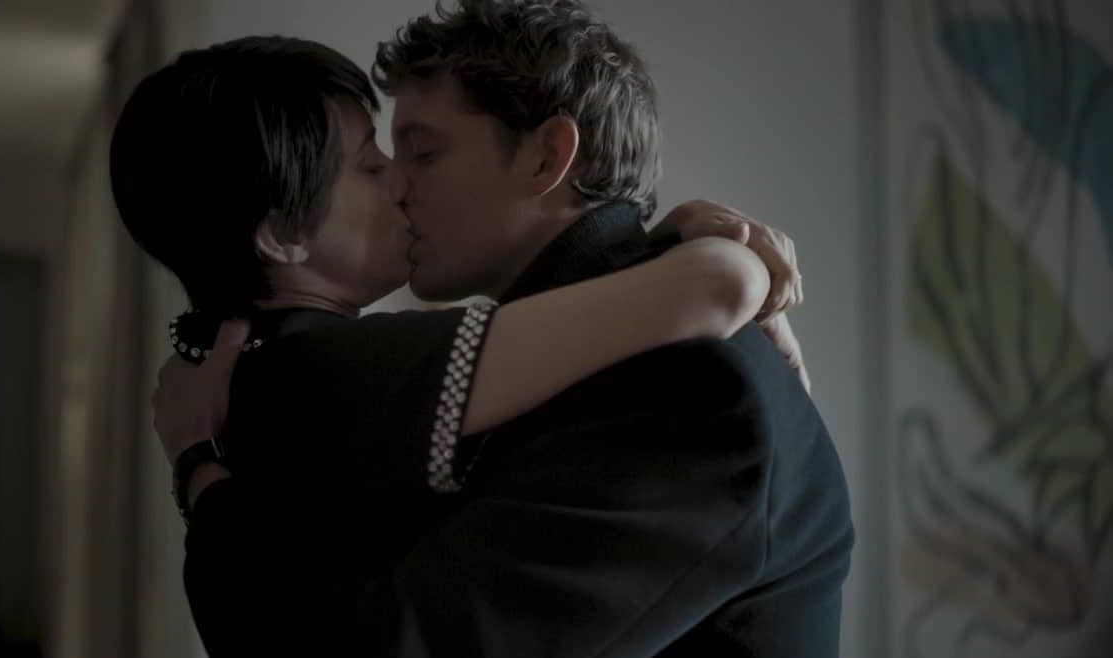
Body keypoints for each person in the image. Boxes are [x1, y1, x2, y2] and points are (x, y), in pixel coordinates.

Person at [156, 1, 853, 656]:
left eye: (423, 153)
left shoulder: (685, 384)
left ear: (546, 157)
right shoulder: (593, 347)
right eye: (381, 160)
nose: (398, 185)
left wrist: (200, 476)